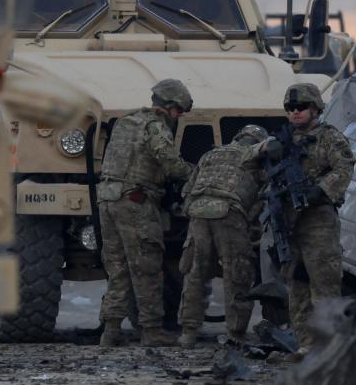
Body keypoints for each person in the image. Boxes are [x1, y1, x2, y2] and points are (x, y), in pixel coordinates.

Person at [97, 79, 194, 348]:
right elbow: (169, 162)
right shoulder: (155, 126)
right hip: (135, 202)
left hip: (108, 199)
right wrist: (195, 174)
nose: (179, 117)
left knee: (118, 269)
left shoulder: (127, 122)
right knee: (147, 267)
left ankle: (111, 330)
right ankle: (151, 331)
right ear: (171, 107)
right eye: (179, 111)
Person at [267, 83, 355, 356]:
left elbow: (344, 167)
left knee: (324, 283)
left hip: (317, 219)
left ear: (315, 109)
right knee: (297, 286)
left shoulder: (329, 137)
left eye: (301, 107)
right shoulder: (280, 141)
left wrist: (320, 190)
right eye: (291, 108)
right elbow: (258, 167)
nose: (295, 112)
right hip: (288, 220)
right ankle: (306, 343)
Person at [177, 125, 268, 348]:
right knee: (237, 272)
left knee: (196, 272)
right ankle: (236, 333)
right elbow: (265, 194)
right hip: (229, 212)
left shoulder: (211, 153)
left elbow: (187, 190)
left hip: (198, 212)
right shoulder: (255, 156)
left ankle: (188, 332)